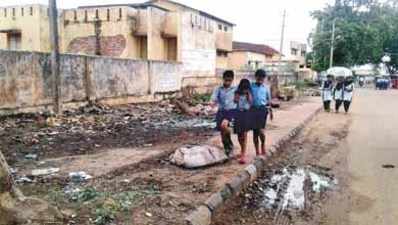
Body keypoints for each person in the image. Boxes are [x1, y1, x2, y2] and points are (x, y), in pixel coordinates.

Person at [211, 70, 237, 157]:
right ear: (223, 79)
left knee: (224, 126)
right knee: (222, 132)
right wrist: (212, 103)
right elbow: (214, 98)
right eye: (226, 80)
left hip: (231, 111)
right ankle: (227, 148)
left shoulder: (235, 89)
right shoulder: (218, 89)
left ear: (232, 79)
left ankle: (230, 143)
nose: (227, 82)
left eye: (229, 80)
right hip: (221, 111)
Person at [251, 69, 271, 157]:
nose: (260, 79)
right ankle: (257, 151)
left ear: (264, 78)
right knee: (255, 132)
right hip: (253, 110)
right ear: (256, 77)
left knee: (261, 131)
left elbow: (268, 100)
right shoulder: (251, 86)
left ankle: (263, 145)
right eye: (258, 77)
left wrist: (270, 110)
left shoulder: (266, 88)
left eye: (262, 78)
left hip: (262, 110)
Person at [233, 79, 253, 164]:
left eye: (246, 88)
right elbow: (235, 101)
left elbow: (251, 102)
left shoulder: (249, 93)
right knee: (239, 134)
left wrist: (248, 94)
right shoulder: (237, 92)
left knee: (244, 134)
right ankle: (242, 149)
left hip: (246, 114)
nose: (244, 90)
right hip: (238, 113)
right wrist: (238, 94)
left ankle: (243, 154)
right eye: (243, 88)